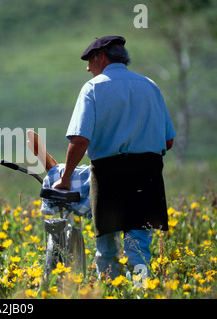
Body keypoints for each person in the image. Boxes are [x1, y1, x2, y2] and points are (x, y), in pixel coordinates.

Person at [53, 36, 176, 279]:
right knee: (139, 246)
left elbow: (80, 140)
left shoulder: (93, 88)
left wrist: (65, 178)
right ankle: (142, 291)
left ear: (101, 57)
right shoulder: (150, 85)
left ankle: (109, 289)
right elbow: (168, 141)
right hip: (147, 173)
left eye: (89, 61)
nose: (88, 68)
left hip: (109, 175)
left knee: (106, 245)